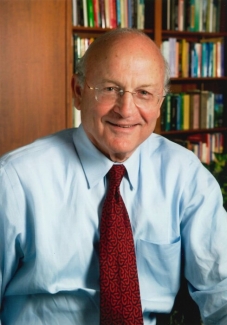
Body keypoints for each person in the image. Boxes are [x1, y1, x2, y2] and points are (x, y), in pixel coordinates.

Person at [0, 28, 227, 325]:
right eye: (109, 89)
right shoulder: (16, 180)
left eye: (144, 93)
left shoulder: (184, 176)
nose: (126, 110)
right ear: (78, 92)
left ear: (159, 103)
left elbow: (221, 294)